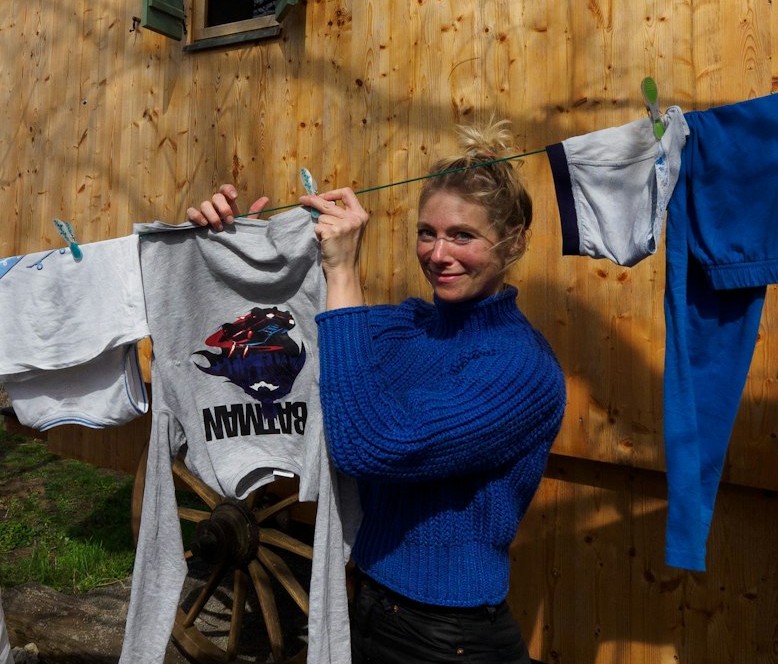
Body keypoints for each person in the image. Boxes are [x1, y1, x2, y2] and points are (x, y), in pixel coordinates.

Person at [187, 123, 566, 663]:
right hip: (368, 604)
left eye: (462, 235)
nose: (437, 254)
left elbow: (371, 445)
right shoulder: (410, 326)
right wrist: (235, 246)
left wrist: (343, 267)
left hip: (449, 637)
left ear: (514, 241)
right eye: (426, 232)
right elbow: (295, 334)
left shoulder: (522, 368)